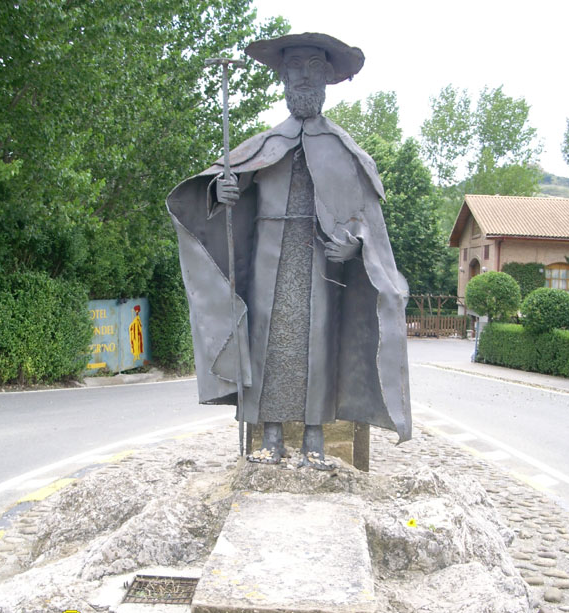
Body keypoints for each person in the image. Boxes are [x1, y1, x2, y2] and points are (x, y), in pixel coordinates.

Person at [167, 32, 411, 468]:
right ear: (282, 78)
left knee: (317, 346)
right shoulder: (263, 146)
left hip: (318, 266)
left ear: (327, 79)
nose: (302, 78)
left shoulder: (345, 150)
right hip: (267, 264)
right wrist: (220, 192)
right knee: (268, 347)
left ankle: (315, 439)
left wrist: (355, 248)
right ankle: (271, 438)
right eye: (294, 68)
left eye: (313, 68)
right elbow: (219, 200)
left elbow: (366, 222)